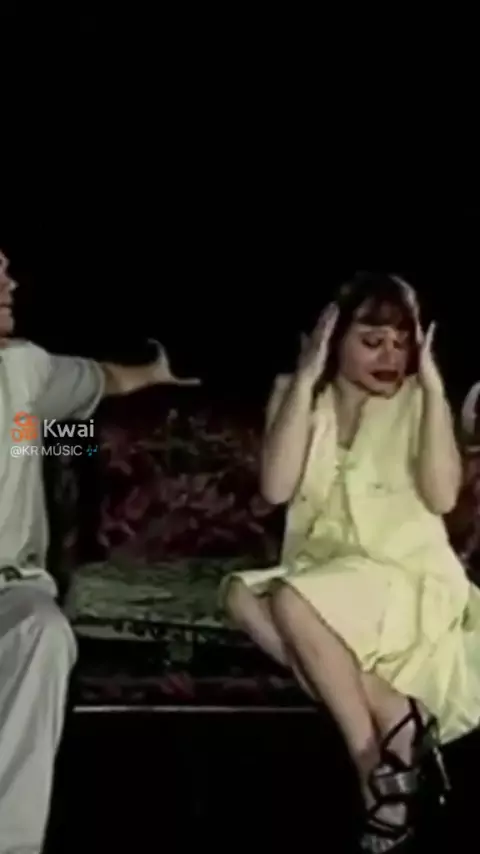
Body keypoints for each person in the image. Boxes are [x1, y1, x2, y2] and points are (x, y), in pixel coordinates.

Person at [223, 271, 480, 852]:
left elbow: (443, 498)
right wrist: (306, 376)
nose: (390, 357)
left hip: (402, 579)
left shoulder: (418, 400)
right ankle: (393, 712)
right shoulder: (298, 395)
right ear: (333, 338)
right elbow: (276, 487)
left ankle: (370, 771)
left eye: (401, 343)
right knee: (240, 593)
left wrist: (433, 387)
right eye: (371, 341)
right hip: (324, 579)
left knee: (290, 601)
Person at [0, 250, 200, 854]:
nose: (12, 281)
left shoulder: (24, 370)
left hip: (9, 591)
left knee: (44, 632)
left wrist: (150, 380)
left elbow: (102, 382)